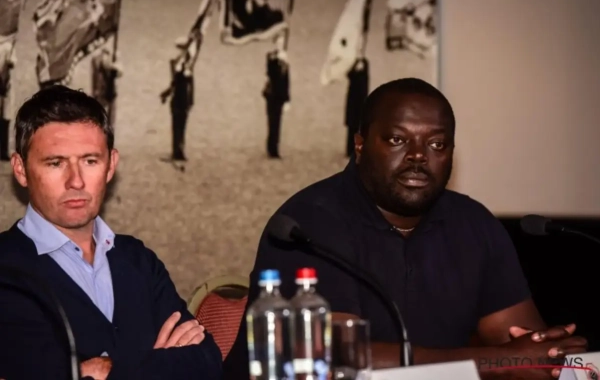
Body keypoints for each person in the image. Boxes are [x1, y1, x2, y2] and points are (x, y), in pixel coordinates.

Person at [223, 78, 587, 380]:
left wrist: (548, 353)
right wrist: (498, 363)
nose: (418, 155)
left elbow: (521, 340)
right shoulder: (308, 223)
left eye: (436, 144)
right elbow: (335, 358)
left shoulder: (474, 224)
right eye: (398, 140)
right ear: (360, 144)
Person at [0, 86, 222, 380]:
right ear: (20, 169)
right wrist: (157, 362)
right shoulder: (6, 268)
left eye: (90, 161)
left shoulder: (138, 260)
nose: (76, 181)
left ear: (110, 165)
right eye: (56, 163)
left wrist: (106, 371)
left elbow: (206, 361)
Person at [160, 37, 195, 162]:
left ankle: (178, 152)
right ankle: (179, 150)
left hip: (180, 98)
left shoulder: (182, 65)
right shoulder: (186, 64)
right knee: (180, 125)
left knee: (178, 125)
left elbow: (176, 83)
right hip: (183, 98)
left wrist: (166, 93)